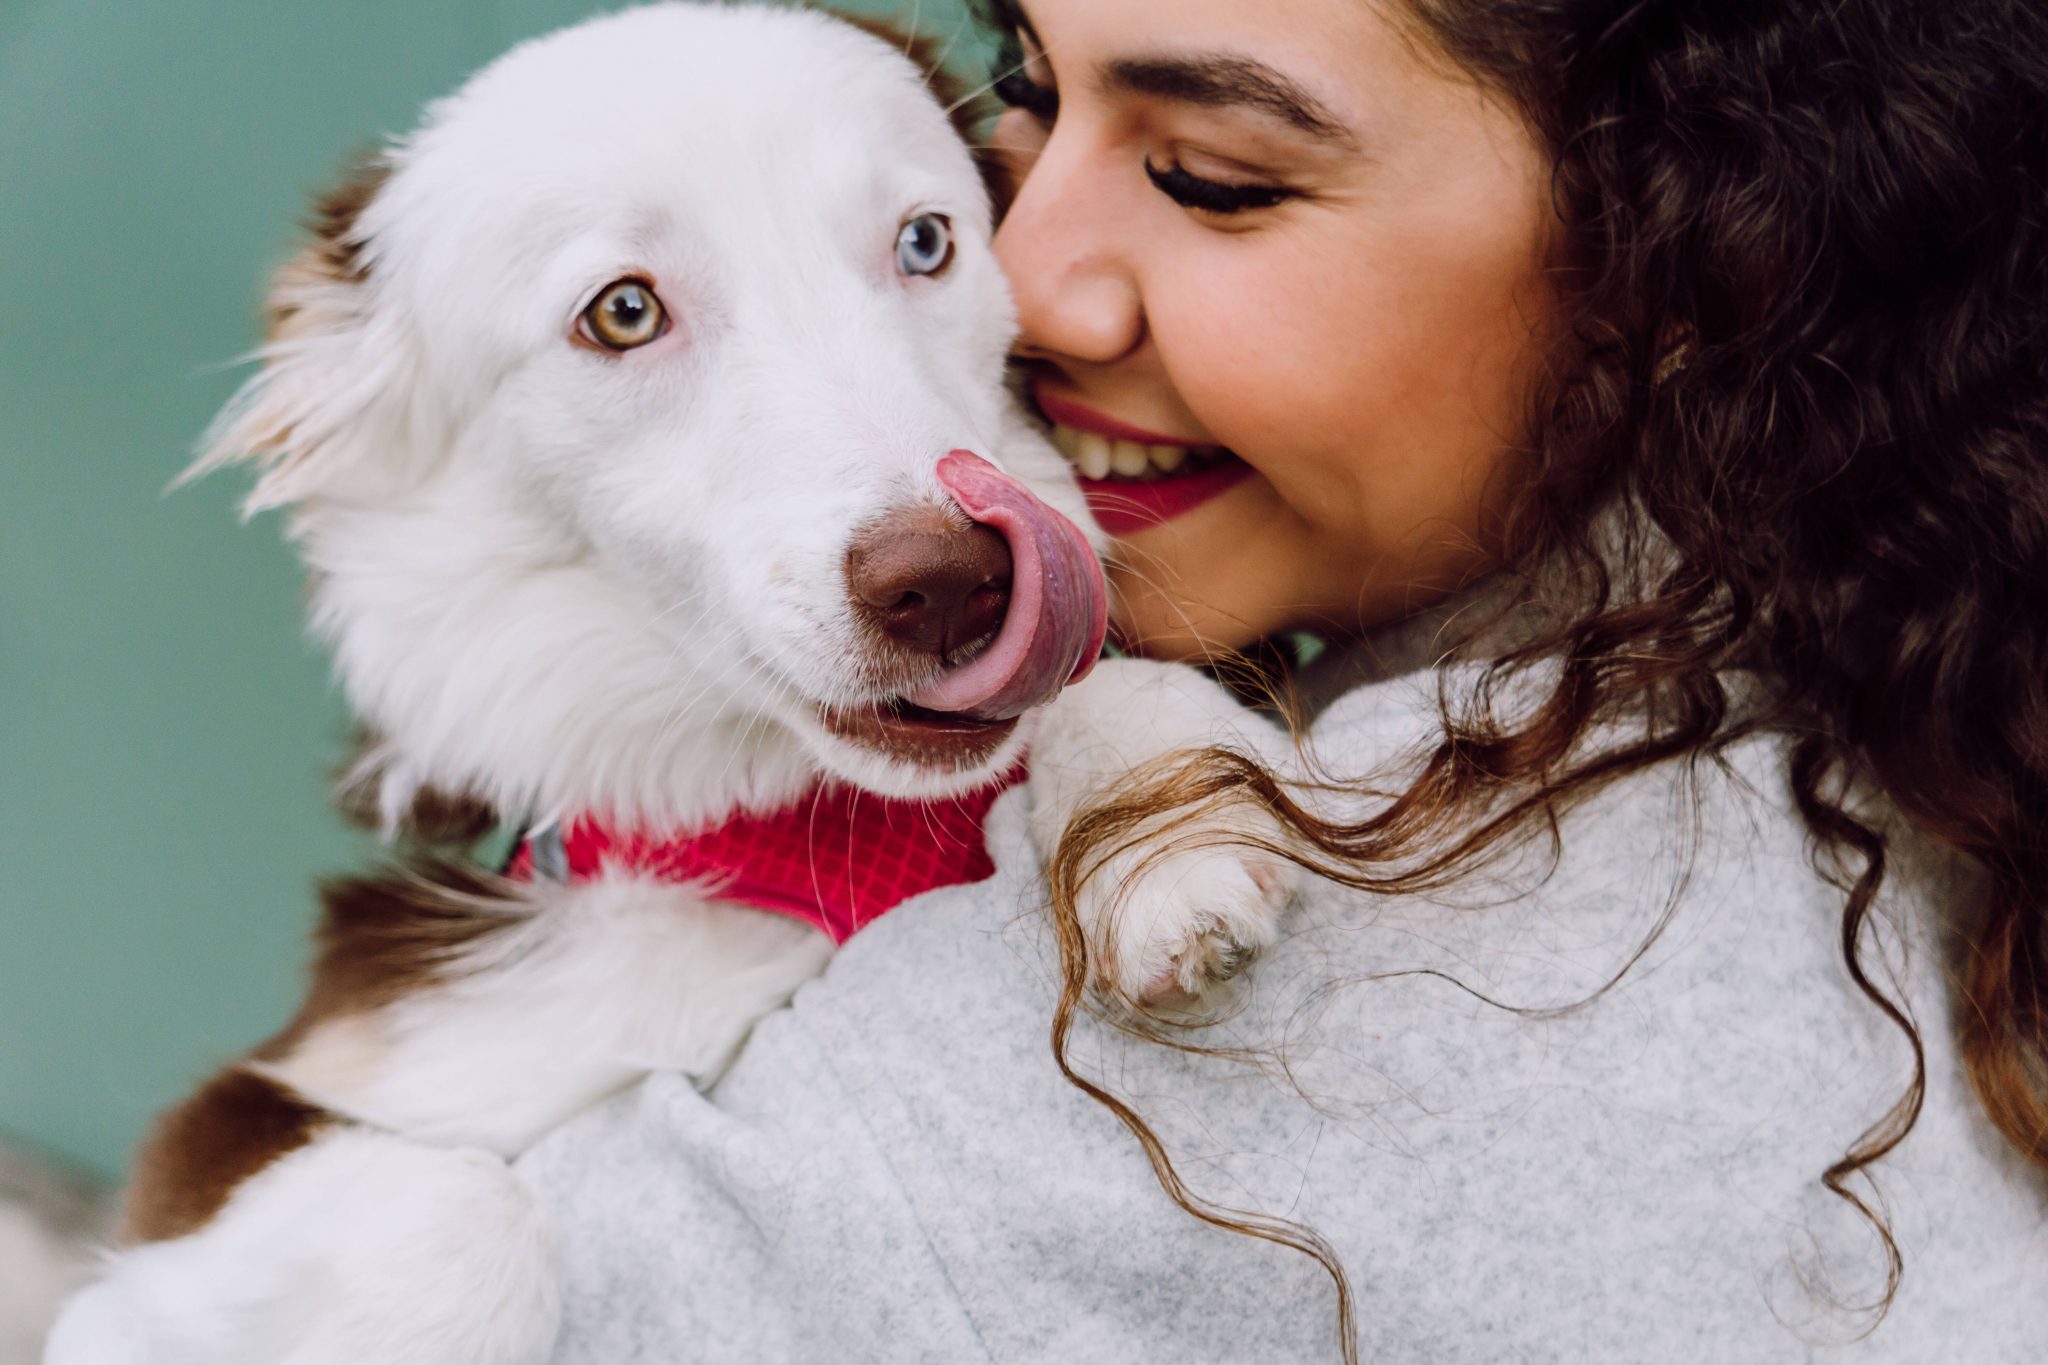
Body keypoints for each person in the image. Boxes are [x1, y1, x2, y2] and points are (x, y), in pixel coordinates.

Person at [516, 0, 2048, 1359]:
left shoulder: (1122, 1067)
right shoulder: (1928, 672)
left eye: (1212, 178)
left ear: (1694, 252)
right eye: (1026, 85)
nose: (1017, 280)